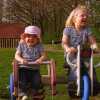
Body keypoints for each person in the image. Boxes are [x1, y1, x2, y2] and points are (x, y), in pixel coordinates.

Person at [61, 5, 99, 99]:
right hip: (72, 55)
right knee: (75, 68)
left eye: (86, 16)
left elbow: (92, 41)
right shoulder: (68, 29)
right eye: (82, 15)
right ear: (74, 18)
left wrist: (95, 48)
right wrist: (67, 48)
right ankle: (73, 88)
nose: (85, 17)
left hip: (83, 55)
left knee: (90, 67)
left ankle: (94, 87)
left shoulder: (87, 30)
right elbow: (64, 42)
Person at [14, 25, 47, 100]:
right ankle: (23, 94)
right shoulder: (22, 45)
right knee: (22, 80)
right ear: (24, 37)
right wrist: (21, 60)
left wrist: (40, 59)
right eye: (28, 36)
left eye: (34, 37)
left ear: (38, 39)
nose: (31, 38)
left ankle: (34, 93)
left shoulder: (39, 46)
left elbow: (44, 55)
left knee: (37, 81)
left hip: (34, 69)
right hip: (23, 68)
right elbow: (16, 55)